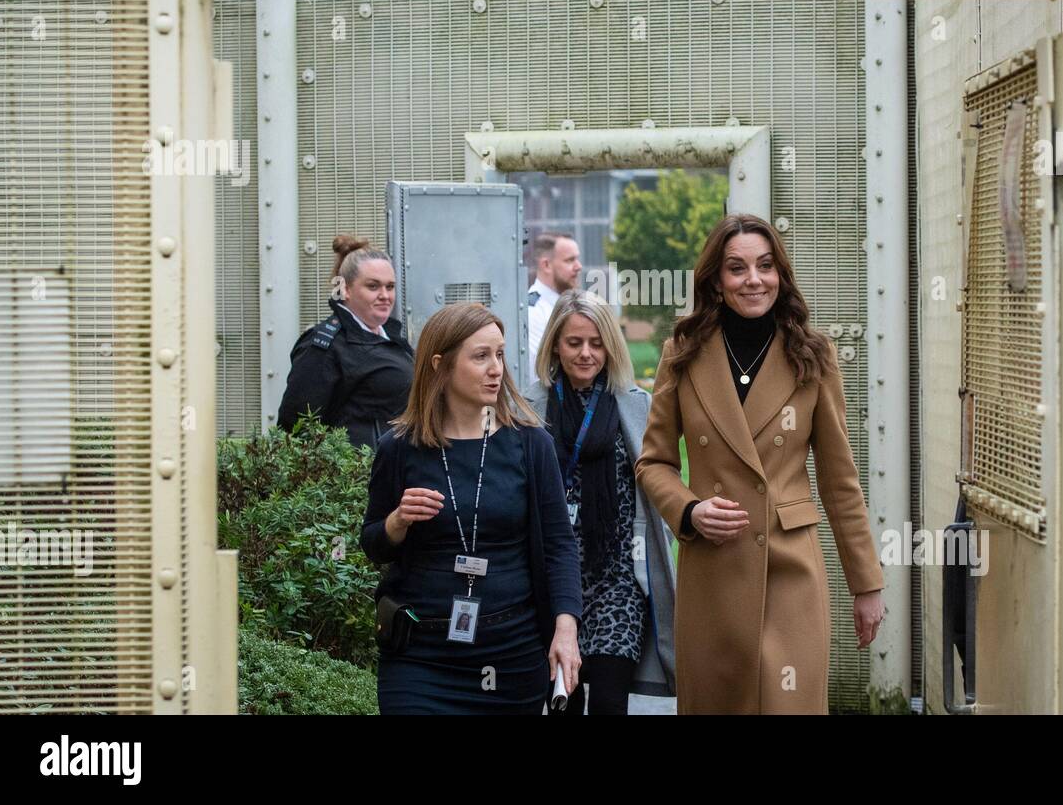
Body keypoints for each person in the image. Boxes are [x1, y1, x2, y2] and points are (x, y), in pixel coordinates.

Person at [634, 213, 886, 714]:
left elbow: (840, 482)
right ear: (716, 280)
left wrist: (867, 584)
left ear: (780, 274)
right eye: (737, 268)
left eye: (765, 266)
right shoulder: (681, 354)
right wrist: (689, 511)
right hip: (712, 569)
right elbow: (653, 463)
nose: (754, 279)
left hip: (790, 569)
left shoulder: (813, 356)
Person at [361, 302, 583, 714]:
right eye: (481, 356)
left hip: (510, 653)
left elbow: (559, 545)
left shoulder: (531, 445)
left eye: (499, 354)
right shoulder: (399, 447)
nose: (496, 368)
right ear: (440, 366)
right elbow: (373, 544)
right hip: (420, 656)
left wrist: (565, 627)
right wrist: (397, 521)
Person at [524, 289, 678, 714]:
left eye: (596, 343)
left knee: (610, 699)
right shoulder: (528, 408)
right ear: (555, 342)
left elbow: (661, 477)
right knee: (563, 700)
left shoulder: (635, 406)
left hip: (618, 578)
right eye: (574, 343)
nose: (586, 354)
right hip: (553, 578)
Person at [277, 235, 414, 448]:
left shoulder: (391, 337)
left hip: (400, 469)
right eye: (373, 286)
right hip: (358, 474)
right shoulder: (324, 345)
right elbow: (295, 427)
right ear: (346, 290)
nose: (385, 295)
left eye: (390, 286)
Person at [526, 231, 582, 377]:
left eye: (577, 259)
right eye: (570, 260)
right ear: (546, 265)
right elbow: (537, 375)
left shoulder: (567, 305)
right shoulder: (532, 313)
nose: (579, 266)